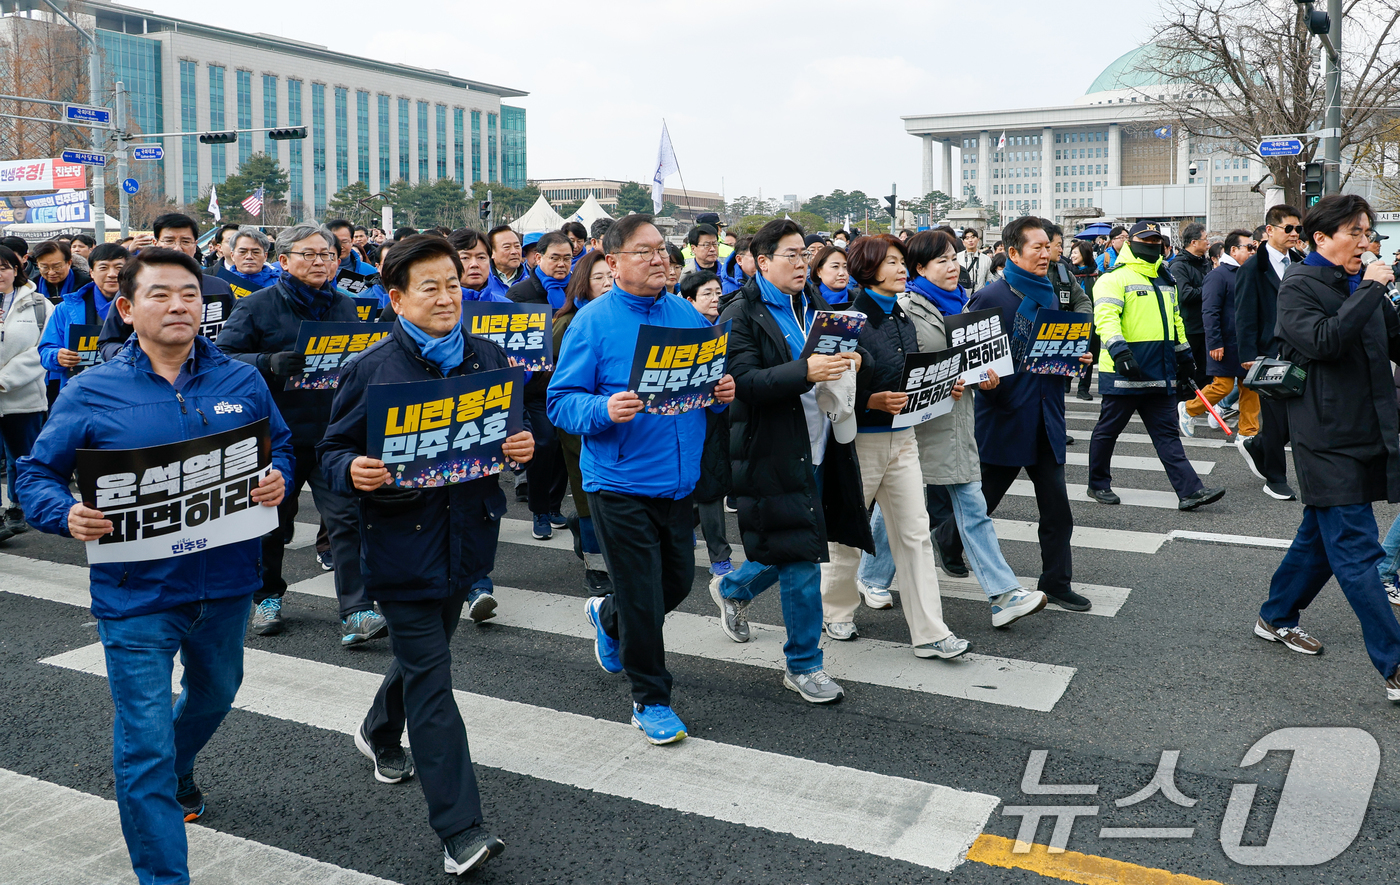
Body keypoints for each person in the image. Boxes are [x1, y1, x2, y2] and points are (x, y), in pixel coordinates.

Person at [15, 247, 292, 885]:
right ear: (127, 306)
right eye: (161, 294)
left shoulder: (240, 380)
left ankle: (176, 767)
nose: (178, 306)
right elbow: (35, 473)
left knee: (218, 693)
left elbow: (279, 450)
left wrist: (276, 477)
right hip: (136, 596)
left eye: (189, 295)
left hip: (225, 584)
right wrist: (65, 513)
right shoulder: (92, 389)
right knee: (143, 746)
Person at [319, 235, 530, 876]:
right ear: (397, 298)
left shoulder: (487, 356)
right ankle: (460, 829)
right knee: (435, 682)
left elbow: (518, 432)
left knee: (425, 658)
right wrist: (352, 468)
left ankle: (379, 730)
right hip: (400, 548)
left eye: (453, 283)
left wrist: (522, 446)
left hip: (466, 541)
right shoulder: (372, 368)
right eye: (429, 286)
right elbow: (329, 452)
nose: (447, 297)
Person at [547, 214, 736, 745]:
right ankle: (650, 699)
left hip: (679, 481)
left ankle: (608, 619)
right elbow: (560, 403)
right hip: (618, 481)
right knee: (643, 595)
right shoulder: (592, 322)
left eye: (662, 250)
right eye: (644, 251)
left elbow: (706, 381)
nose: (659, 259)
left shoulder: (684, 313)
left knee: (674, 583)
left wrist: (722, 392)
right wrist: (605, 408)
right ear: (613, 262)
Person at [710, 218, 869, 703]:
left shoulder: (812, 304)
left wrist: (852, 358)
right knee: (802, 558)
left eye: (806, 254)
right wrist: (806, 371)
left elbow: (832, 353)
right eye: (792, 256)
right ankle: (803, 664)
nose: (803, 264)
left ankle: (734, 586)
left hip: (821, 444)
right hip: (770, 450)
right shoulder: (740, 313)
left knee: (795, 541)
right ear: (762, 261)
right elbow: (743, 383)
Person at [1251, 194, 1400, 703]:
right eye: (1355, 233)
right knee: (1358, 552)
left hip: (1368, 429)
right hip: (1324, 436)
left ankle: (1275, 616)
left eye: (1368, 233)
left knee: (1319, 536)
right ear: (1320, 237)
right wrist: (1370, 290)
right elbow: (1325, 341)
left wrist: (1372, 291)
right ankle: (1395, 664)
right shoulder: (1299, 285)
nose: (1366, 242)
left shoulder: (1362, 283)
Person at [862, 230, 1048, 626]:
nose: (953, 266)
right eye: (942, 261)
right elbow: (904, 368)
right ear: (920, 269)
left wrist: (985, 376)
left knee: (919, 505)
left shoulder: (964, 303)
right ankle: (1003, 593)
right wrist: (946, 379)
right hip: (922, 424)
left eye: (953, 258)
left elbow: (968, 362)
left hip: (958, 421)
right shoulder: (908, 308)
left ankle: (870, 574)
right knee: (956, 505)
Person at [216, 223, 386, 645]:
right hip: (276, 437)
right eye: (309, 254)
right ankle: (265, 598)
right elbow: (219, 357)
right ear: (285, 261)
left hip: (333, 435)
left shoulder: (346, 307)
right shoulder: (257, 306)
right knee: (273, 524)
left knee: (347, 520)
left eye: (327, 255)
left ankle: (357, 610)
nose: (320, 262)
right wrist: (266, 361)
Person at [820, 233, 971, 658]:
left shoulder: (903, 316)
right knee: (848, 537)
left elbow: (911, 378)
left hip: (904, 440)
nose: (901, 268)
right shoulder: (847, 318)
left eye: (902, 261)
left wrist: (944, 387)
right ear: (867, 269)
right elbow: (827, 388)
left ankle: (930, 633)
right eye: (890, 262)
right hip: (860, 443)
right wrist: (868, 400)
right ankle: (836, 612)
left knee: (915, 536)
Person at [962, 217, 1092, 612]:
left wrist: (1074, 357)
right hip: (1004, 417)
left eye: (1048, 246)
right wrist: (978, 378)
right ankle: (946, 540)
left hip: (1046, 416)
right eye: (1035, 247)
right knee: (979, 506)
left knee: (1057, 510)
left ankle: (1055, 581)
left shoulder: (1053, 292)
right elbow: (968, 362)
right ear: (1012, 253)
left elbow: (1045, 353)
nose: (1045, 253)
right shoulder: (990, 297)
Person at [1088, 221, 1225, 511]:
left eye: (1156, 240)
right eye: (1146, 239)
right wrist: (1120, 352)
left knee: (1167, 435)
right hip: (1125, 372)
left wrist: (1185, 357)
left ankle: (1190, 491)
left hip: (1160, 372)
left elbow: (1175, 322)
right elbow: (1106, 318)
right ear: (1132, 243)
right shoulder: (1113, 279)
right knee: (1107, 431)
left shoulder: (1165, 279)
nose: (1152, 245)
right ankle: (1097, 484)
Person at [1235, 204, 1306, 501]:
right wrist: (1249, 354)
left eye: (1297, 229)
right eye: (1287, 228)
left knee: (1296, 418)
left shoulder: (1301, 261)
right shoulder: (1253, 267)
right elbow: (1244, 315)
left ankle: (1256, 444)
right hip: (1267, 353)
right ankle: (1275, 478)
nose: (1293, 234)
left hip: (1301, 350)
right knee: (1276, 419)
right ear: (1270, 231)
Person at [95, 214, 237, 361]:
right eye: (169, 241)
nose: (177, 248)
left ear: (195, 245)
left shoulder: (220, 287)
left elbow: (237, 337)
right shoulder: (136, 286)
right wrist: (132, 358)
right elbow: (108, 342)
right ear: (155, 243)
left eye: (185, 241)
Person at [554, 250, 613, 593]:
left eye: (611, 277)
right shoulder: (569, 323)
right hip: (578, 422)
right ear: (582, 286)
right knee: (585, 494)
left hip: (617, 418)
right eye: (598, 278)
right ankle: (595, 567)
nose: (607, 284)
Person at [509, 231, 572, 541]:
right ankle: (539, 511)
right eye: (554, 257)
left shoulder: (577, 290)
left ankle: (554, 503)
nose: (561, 264)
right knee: (543, 444)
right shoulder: (520, 294)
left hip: (569, 383)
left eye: (567, 258)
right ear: (538, 258)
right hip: (534, 389)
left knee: (562, 446)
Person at [678, 270, 733, 577]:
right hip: (689, 420)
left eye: (717, 292)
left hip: (716, 419)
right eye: (707, 294)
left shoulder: (722, 329)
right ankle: (720, 559)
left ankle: (687, 535)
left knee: (709, 488)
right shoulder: (683, 334)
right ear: (689, 301)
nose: (715, 299)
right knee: (706, 489)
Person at [1180, 231, 1260, 439]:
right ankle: (1189, 409)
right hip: (1225, 342)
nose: (1252, 251)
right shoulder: (1218, 275)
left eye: (1254, 247)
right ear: (1233, 250)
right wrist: (1215, 342)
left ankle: (1248, 433)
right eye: (1248, 247)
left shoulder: (1249, 272)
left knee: (1250, 388)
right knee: (1222, 386)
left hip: (1247, 343)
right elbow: (1210, 311)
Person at [38, 243, 127, 403]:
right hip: (80, 394)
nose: (112, 274)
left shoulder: (143, 306)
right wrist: (57, 356)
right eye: (103, 268)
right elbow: (46, 350)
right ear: (91, 272)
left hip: (127, 392)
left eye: (118, 268)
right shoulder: (66, 308)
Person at [0, 244, 48, 542]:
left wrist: (4, 380)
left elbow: (42, 349)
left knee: (23, 457)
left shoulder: (39, 304)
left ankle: (19, 508)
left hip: (23, 397)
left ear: (16, 269)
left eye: (4, 267)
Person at [1171, 223, 1213, 398]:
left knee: (1205, 371)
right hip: (1189, 327)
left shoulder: (1205, 263)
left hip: (1206, 326)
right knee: (1187, 371)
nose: (1208, 243)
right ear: (1194, 242)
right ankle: (1183, 405)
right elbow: (1185, 295)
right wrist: (1211, 290)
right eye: (1205, 239)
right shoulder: (1178, 265)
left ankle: (1197, 405)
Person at [1069, 240, 1101, 401]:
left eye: (1076, 252)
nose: (1072, 255)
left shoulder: (1097, 275)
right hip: (1070, 320)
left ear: (1085, 254)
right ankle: (1066, 380)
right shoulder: (1066, 273)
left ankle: (1083, 388)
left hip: (1091, 320)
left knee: (1088, 354)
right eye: (1072, 252)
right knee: (1068, 351)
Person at [213, 226, 280, 298]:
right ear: (232, 255)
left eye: (255, 252)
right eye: (242, 252)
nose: (249, 256)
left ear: (265, 256)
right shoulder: (220, 284)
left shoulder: (281, 285)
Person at [31, 239, 92, 303]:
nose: (51, 272)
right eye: (45, 267)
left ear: (69, 263)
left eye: (57, 267)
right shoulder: (32, 286)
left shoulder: (86, 284)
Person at [483, 225, 527, 299]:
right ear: (491, 252)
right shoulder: (482, 280)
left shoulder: (532, 281)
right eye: (507, 247)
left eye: (517, 246)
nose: (514, 252)